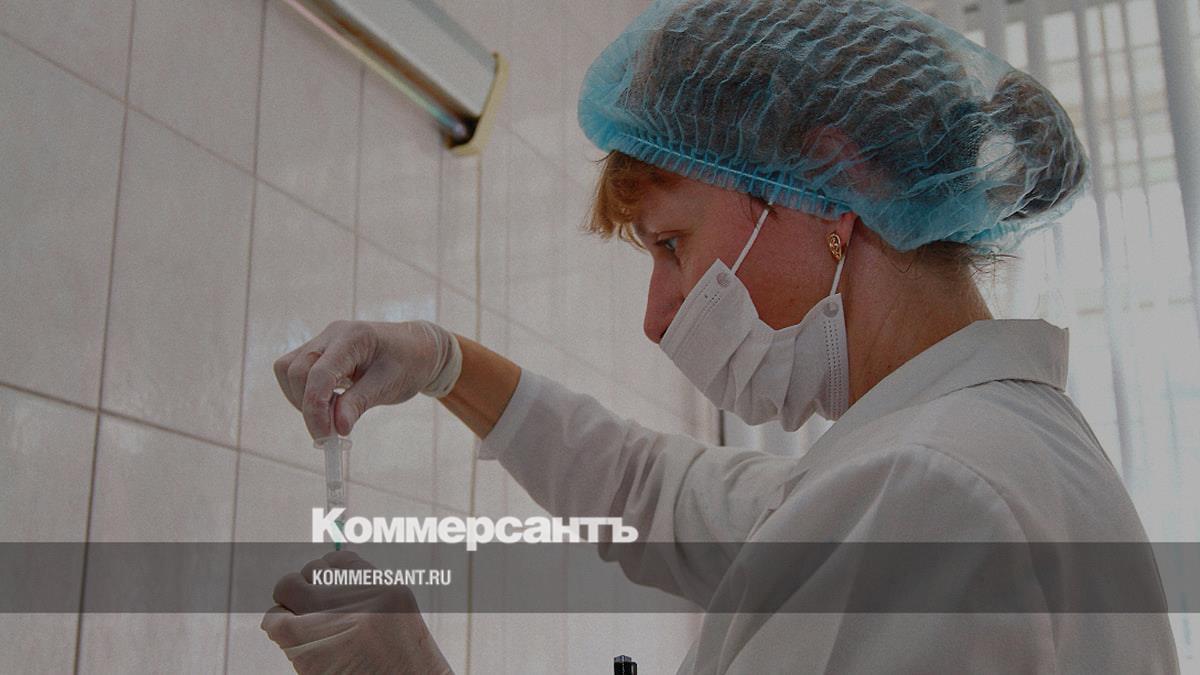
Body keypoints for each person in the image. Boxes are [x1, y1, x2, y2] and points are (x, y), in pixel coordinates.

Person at [262, 0, 1179, 672]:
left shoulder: (929, 492)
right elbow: (645, 488)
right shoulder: (942, 461)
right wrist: (444, 363)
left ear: (831, 181)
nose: (656, 315)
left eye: (673, 243)